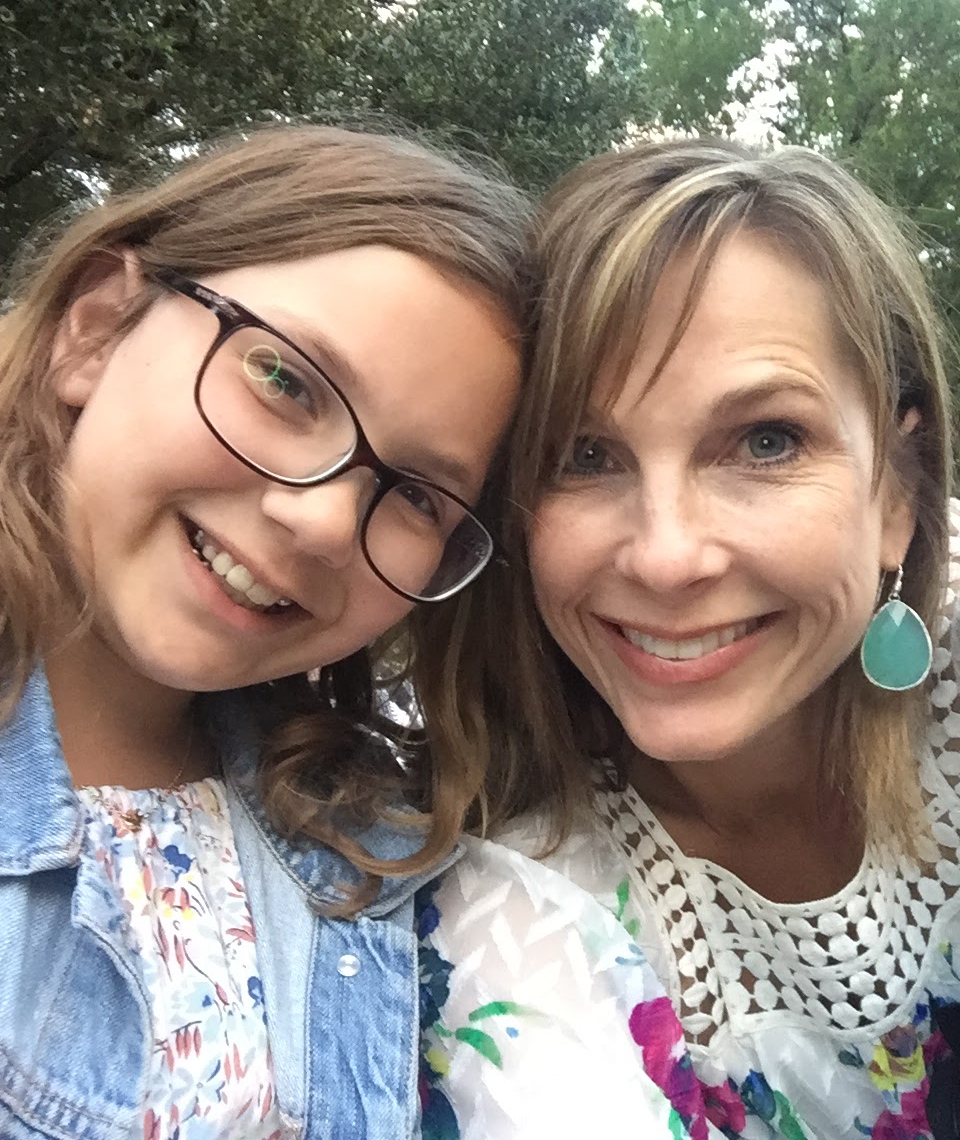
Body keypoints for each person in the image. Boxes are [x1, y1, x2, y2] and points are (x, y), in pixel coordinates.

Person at [0, 123, 536, 1140]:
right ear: (97, 327)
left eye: (415, 495)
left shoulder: (373, 840)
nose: (325, 521)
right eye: (286, 383)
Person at [419, 138, 960, 1139]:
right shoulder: (516, 903)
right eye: (586, 455)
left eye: (766, 440)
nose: (667, 558)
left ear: (896, 491)